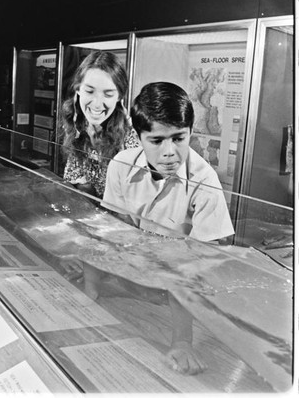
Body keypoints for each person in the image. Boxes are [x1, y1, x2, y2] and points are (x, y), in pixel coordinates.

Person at [99, 81, 235, 375]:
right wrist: (92, 293)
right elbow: (111, 234)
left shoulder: (206, 183)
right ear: (138, 137)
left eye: (179, 138)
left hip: (181, 293)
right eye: (157, 140)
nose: (170, 152)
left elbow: (194, 268)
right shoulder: (120, 166)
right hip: (133, 279)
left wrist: (183, 341)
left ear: (190, 134)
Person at [61, 50, 140, 199]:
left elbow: (135, 198)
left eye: (108, 94)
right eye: (90, 91)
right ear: (78, 89)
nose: (97, 104)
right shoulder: (77, 125)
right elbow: (74, 178)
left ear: (119, 97)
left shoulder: (131, 137)